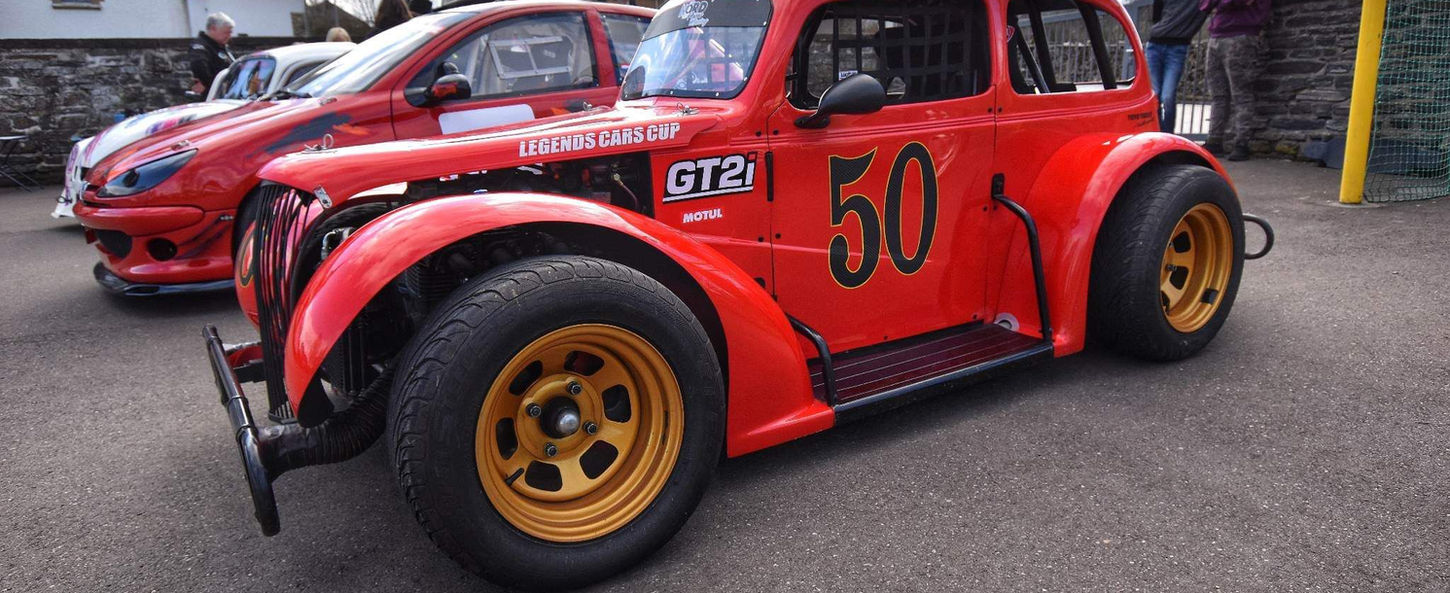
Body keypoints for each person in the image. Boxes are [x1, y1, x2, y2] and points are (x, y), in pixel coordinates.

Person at [1200, 0, 1272, 161]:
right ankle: (1214, 140)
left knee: (1241, 93)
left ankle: (1241, 143)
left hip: (1241, 36)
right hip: (1217, 36)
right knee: (1218, 94)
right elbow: (1204, 5)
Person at [1145, 0, 1208, 135]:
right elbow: (1157, 11)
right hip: (1155, 44)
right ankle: (1156, 131)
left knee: (1167, 97)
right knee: (1154, 95)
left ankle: (1167, 134)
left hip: (1177, 47)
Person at [188, 12, 235, 97]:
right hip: (212, 95)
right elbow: (199, 67)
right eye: (226, 32)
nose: (229, 36)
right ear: (213, 28)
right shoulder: (201, 46)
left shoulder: (220, 46)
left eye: (230, 33)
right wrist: (211, 86)